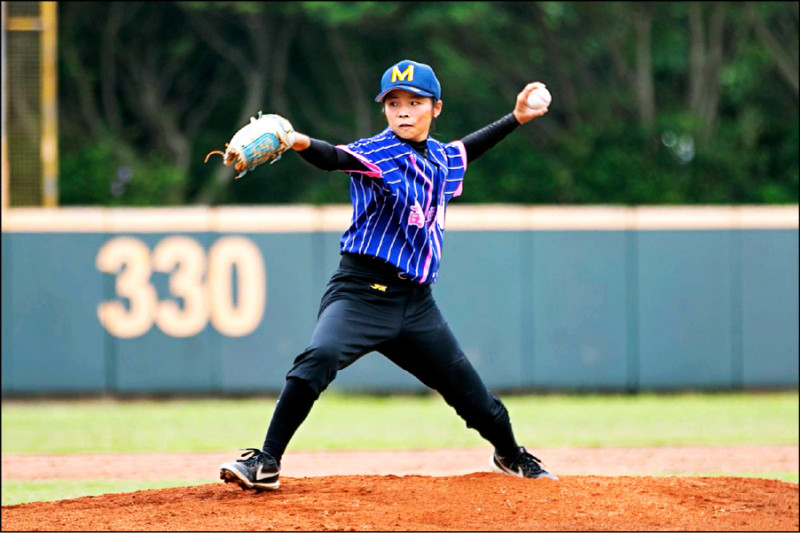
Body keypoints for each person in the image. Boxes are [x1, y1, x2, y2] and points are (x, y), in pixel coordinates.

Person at [219, 59, 556, 491]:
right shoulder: (376, 151)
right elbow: (334, 158)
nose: (402, 110)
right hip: (359, 293)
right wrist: (298, 140)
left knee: (478, 402)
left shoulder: (441, 159)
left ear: (435, 109)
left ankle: (511, 455)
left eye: (414, 102)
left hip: (416, 305)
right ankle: (266, 461)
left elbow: (467, 149)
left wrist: (516, 118)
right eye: (393, 102)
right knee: (317, 358)